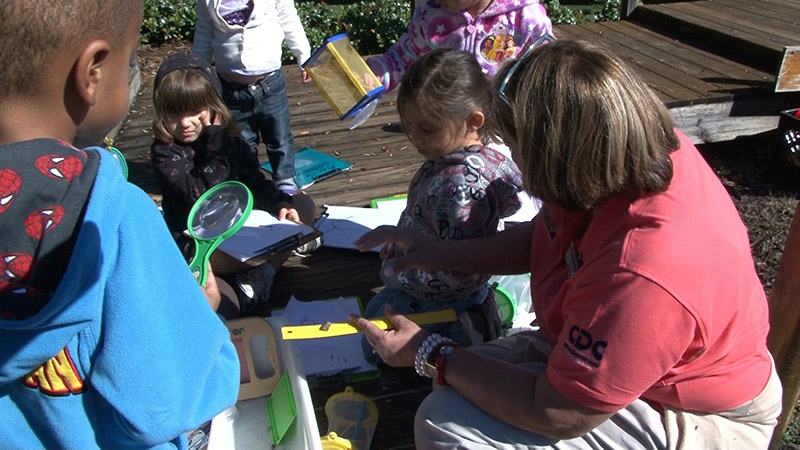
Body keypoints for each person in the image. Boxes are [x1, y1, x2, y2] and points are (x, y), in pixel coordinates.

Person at [352, 40, 782, 449]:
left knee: (444, 421)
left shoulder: (643, 273)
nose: (510, 160)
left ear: (556, 157)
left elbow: (558, 409)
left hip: (701, 414)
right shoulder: (621, 157)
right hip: (624, 362)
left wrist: (432, 352)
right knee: (464, 384)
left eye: (516, 149)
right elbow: (544, 237)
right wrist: (439, 252)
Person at [0, 1, 240, 448]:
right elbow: (169, 402)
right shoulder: (114, 214)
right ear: (91, 72)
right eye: (130, 59)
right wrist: (195, 316)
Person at [362, 48, 524, 364]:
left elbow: (460, 268)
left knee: (371, 348)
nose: (415, 138)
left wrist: (408, 267)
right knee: (373, 312)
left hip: (445, 297)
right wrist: (401, 240)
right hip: (428, 279)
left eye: (427, 129)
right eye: (409, 126)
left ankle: (465, 329)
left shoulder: (461, 185)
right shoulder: (456, 160)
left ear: (473, 121)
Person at [151, 52, 317, 315]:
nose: (185, 122)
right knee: (224, 298)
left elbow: (254, 181)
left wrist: (280, 203)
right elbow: (200, 194)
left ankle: (263, 273)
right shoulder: (165, 152)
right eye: (174, 113)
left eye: (195, 111)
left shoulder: (231, 139)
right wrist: (216, 143)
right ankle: (259, 270)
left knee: (304, 206)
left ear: (214, 106)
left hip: (240, 227)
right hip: (198, 242)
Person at [193, 0, 312, 194]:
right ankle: (251, 182)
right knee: (242, 141)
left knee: (279, 137)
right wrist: (199, 70)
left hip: (270, 84)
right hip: (230, 89)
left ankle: (285, 180)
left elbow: (288, 19)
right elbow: (204, 33)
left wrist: (304, 56)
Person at [367, 0, 553, 91]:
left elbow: (549, 66)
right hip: (447, 124)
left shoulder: (525, 16)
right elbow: (405, 56)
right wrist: (375, 74)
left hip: (504, 129)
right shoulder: (430, 13)